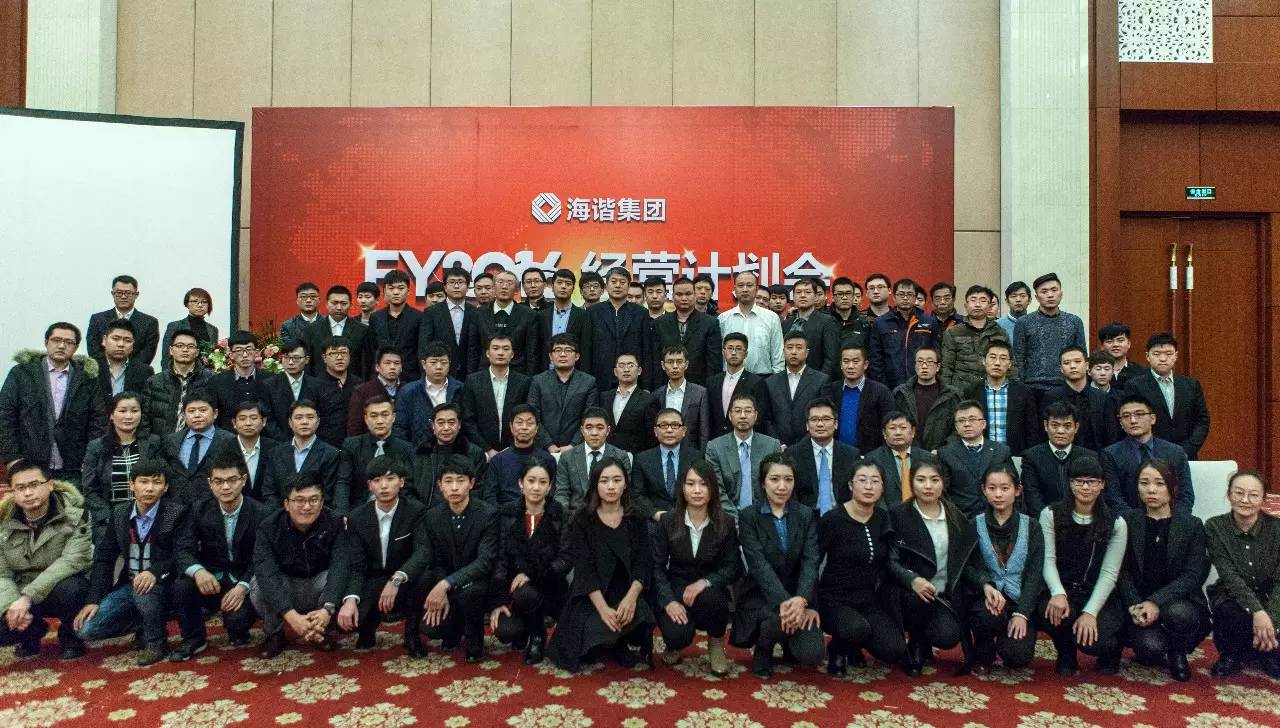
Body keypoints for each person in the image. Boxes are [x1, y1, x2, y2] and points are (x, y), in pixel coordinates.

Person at [74, 459, 192, 666]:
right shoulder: (120, 513)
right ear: (132, 485)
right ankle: (143, 624)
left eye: (156, 482)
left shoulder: (175, 513)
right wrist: (93, 600)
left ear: (165, 487)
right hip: (130, 584)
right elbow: (104, 558)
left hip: (165, 584)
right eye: (143, 482)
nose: (149, 488)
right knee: (87, 630)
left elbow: (182, 553)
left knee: (144, 592)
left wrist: (154, 572)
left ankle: (156, 642)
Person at [549, 456, 656, 671]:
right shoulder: (582, 519)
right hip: (592, 594)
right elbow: (584, 570)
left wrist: (631, 599)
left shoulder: (636, 517)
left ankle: (618, 641)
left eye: (617, 480)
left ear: (625, 484)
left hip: (627, 590)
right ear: (595, 485)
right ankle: (610, 641)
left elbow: (643, 562)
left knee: (640, 616)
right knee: (591, 634)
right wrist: (604, 609)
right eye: (604, 480)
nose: (611, 486)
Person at [1115, 459, 1210, 681]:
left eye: (1159, 483)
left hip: (1178, 601)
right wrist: (1135, 604)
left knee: (1179, 614)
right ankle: (1154, 643)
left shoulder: (1191, 525)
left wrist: (1156, 602)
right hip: (1139, 602)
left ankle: (1178, 652)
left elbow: (1193, 575)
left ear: (1172, 487)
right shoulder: (1128, 521)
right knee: (1150, 648)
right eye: (1144, 483)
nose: (1151, 490)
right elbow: (1121, 570)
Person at [888, 454, 982, 675]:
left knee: (948, 636)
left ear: (943, 483)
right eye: (921, 480)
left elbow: (965, 564)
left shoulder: (956, 517)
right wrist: (912, 580)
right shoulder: (897, 515)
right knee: (915, 601)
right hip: (908, 593)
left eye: (934, 480)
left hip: (942, 595)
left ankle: (927, 638)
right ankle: (916, 641)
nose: (928, 486)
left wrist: (985, 584)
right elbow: (890, 561)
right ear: (911, 483)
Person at [732, 453, 823, 678]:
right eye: (774, 479)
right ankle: (764, 649)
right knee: (773, 621)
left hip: (798, 595)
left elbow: (811, 561)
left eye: (788, 479)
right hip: (761, 596)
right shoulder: (749, 516)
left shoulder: (806, 515)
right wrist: (784, 602)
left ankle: (789, 642)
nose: (782, 486)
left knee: (812, 654)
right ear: (763, 483)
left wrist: (802, 599)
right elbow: (758, 565)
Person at [172, 452, 269, 657]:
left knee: (237, 624)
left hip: (243, 580)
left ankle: (238, 628)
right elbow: (182, 548)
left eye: (232, 480)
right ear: (210, 484)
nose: (225, 487)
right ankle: (194, 639)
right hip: (210, 579)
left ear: (243, 480)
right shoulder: (199, 510)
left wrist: (243, 587)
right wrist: (198, 572)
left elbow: (263, 557)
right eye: (218, 481)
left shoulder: (260, 513)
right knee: (182, 585)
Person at [1038, 455, 1127, 676]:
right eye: (1079, 481)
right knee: (1053, 612)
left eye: (1092, 482)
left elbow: (1109, 573)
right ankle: (1066, 652)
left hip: (1098, 593)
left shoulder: (1116, 522)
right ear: (1070, 483)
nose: (1085, 487)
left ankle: (1111, 651)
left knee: (1097, 641)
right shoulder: (1050, 514)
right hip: (1064, 590)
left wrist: (1090, 612)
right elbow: (1048, 560)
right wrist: (1057, 592)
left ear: (1102, 484)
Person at [817, 460, 907, 674]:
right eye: (862, 480)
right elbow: (813, 561)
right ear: (851, 484)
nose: (868, 486)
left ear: (882, 487)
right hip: (835, 599)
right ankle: (838, 649)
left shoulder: (884, 518)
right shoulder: (833, 519)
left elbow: (892, 561)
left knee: (895, 649)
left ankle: (854, 645)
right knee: (856, 628)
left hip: (868, 600)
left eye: (875, 481)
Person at [335, 456, 431, 656]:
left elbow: (422, 551)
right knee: (348, 623)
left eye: (390, 479)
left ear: (401, 482)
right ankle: (367, 630)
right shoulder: (357, 517)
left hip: (405, 577)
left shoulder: (416, 511)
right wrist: (350, 599)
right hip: (374, 578)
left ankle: (412, 636)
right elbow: (357, 565)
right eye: (377, 480)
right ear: (370, 485)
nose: (384, 486)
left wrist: (397, 579)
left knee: (424, 577)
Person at [654, 460, 742, 673]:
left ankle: (715, 643)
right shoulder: (668, 521)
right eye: (691, 483)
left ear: (713, 489)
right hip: (677, 588)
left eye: (703, 484)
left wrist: (705, 582)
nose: (697, 490)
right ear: (682, 488)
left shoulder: (726, 522)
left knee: (716, 601)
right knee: (676, 635)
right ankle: (674, 644)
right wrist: (669, 602)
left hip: (709, 591)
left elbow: (734, 566)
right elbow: (656, 567)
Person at [0, 460, 93, 660]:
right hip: (20, 592)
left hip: (57, 587)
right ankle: (30, 632)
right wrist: (9, 606)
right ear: (12, 492)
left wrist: (27, 597)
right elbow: (2, 574)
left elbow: (74, 561)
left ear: (50, 485)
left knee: (73, 589)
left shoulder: (76, 516)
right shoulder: (3, 525)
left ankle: (70, 636)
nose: (28, 493)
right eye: (20, 488)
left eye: (34, 485)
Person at [249, 471, 346, 658]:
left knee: (338, 577)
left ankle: (322, 630)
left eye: (313, 500)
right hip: (287, 586)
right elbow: (266, 572)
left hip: (319, 585)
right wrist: (290, 615)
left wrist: (327, 609)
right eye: (299, 500)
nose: (307, 507)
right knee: (259, 584)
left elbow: (340, 566)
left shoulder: (336, 523)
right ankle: (274, 634)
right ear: (286, 504)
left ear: (322, 503)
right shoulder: (268, 527)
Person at [0, 322, 108, 482]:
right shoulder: (22, 373)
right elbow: (5, 416)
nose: (62, 346)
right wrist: (12, 458)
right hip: (29, 463)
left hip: (74, 466)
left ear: (76, 347)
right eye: (56, 340)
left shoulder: (86, 378)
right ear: (46, 343)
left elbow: (97, 421)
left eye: (69, 342)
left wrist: (90, 458)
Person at [489, 460, 570, 665]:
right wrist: (498, 599)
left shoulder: (560, 514)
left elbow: (565, 559)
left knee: (527, 591)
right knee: (506, 632)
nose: (536, 487)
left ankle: (538, 635)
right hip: (516, 590)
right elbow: (500, 558)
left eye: (542, 482)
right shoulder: (507, 513)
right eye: (531, 481)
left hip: (551, 587)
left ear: (550, 486)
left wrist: (531, 574)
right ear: (520, 483)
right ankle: (526, 627)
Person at [966, 464, 1043, 673]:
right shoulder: (974, 524)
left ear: (1018, 490)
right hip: (988, 600)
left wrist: (1022, 613)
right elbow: (968, 567)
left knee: (1017, 656)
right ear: (983, 490)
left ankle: (1009, 639)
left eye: (1005, 488)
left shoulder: (1032, 526)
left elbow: (1035, 575)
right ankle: (984, 646)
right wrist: (985, 585)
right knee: (986, 616)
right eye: (992, 488)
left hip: (1019, 600)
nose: (998, 494)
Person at [421, 456, 498, 663]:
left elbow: (485, 562)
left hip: (478, 583)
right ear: (440, 485)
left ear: (471, 483)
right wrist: (442, 584)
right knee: (430, 629)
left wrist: (447, 583)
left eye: (460, 480)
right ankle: (453, 629)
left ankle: (474, 638)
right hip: (447, 580)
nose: (454, 487)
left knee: (471, 593)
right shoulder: (432, 516)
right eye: (448, 481)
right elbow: (435, 559)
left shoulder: (488, 514)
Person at [1205, 470, 1280, 678]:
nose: (1245, 500)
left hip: (1271, 594)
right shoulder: (1214, 526)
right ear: (1229, 495)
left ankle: (1268, 651)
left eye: (1253, 495)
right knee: (1228, 610)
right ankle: (1231, 654)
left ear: (1263, 499)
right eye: (1238, 493)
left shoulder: (1277, 528)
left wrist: (1271, 621)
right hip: (1234, 593)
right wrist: (1257, 612)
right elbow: (1229, 575)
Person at [80, 391, 164, 540]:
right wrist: (109, 517)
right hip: (108, 520)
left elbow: (160, 481)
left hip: (148, 517)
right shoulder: (96, 447)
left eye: (134, 411)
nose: (129, 416)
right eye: (122, 411)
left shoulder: (154, 443)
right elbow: (90, 489)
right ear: (111, 415)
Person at [1102, 393, 1195, 514]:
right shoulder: (1110, 454)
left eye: (1139, 414)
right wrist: (1136, 521)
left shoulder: (1175, 452)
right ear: (1120, 423)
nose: (1133, 420)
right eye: (1126, 416)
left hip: (1170, 520)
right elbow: (1113, 498)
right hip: (1129, 521)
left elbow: (1185, 496)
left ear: (1153, 418)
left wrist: (1174, 520)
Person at [1124, 333, 1211, 460]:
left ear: (1176, 355)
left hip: (1186, 454)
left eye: (1168, 354)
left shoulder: (1190, 385)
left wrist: (1190, 447)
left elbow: (1202, 420)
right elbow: (1133, 420)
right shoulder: (1135, 385)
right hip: (1150, 455)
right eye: (1157, 354)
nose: (1163, 358)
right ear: (1147, 356)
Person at [261, 400, 351, 512]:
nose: (304, 422)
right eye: (298, 418)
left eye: (310, 417)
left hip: (317, 515)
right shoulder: (276, 453)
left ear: (318, 422)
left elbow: (328, 494)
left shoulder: (332, 454)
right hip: (281, 515)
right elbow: (269, 491)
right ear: (290, 422)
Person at [706, 393, 783, 520]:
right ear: (730, 415)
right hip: (727, 518)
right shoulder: (715, 447)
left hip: (764, 517)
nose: (743, 416)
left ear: (756, 415)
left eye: (748, 411)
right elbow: (717, 490)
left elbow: (775, 486)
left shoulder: (772, 445)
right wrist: (736, 520)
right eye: (737, 411)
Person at [937, 401, 1016, 517]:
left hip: (997, 516)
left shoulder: (1001, 451)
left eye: (972, 419)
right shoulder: (946, 453)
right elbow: (943, 492)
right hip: (961, 518)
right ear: (956, 427)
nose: (967, 424)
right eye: (961, 421)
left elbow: (1014, 487)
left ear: (983, 424)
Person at [1013, 273, 1088, 398]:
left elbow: (1082, 355)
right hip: (1033, 387)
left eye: (1054, 290)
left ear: (1061, 294)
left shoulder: (1074, 322)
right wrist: (1020, 388)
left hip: (1067, 385)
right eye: (1044, 291)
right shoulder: (1024, 322)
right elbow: (1018, 358)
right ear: (1036, 297)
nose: (1050, 295)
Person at [461, 334, 535, 458]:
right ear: (487, 353)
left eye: (506, 349)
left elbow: (527, 417)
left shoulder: (524, 382)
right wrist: (487, 449)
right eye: (495, 348)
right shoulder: (473, 381)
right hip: (481, 452)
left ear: (512, 354)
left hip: (516, 450)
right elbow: (468, 419)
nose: (500, 353)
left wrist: (512, 448)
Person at [582, 267, 656, 390]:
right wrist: (586, 384)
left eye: (622, 282)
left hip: (633, 379)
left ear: (628, 286)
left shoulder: (641, 313)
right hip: (600, 379)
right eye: (613, 281)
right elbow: (586, 350)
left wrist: (646, 386)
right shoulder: (592, 312)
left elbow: (646, 351)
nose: (618, 285)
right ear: (606, 286)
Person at [1020, 401, 1097, 517]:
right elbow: (1032, 498)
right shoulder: (1031, 457)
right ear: (1046, 426)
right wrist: (1049, 520)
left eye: (1067, 426)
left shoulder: (1090, 457)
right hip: (1044, 520)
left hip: (1081, 520)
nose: (1060, 431)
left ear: (1076, 427)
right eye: (1055, 425)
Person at [160, 390, 237, 503]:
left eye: (203, 410)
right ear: (184, 416)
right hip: (175, 505)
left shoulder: (230, 440)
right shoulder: (171, 440)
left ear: (215, 413)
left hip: (213, 505)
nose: (197, 415)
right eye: (191, 411)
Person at [964, 340, 1040, 456]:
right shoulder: (971, 391)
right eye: (992, 357)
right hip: (980, 456)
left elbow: (1032, 431)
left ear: (1010, 364)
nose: (997, 363)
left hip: (1014, 456)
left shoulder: (1023, 393)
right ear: (984, 361)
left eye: (1003, 358)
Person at [264, 339, 345, 447]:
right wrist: (288, 444)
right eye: (286, 357)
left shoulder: (321, 386)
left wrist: (311, 444)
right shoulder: (268, 386)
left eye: (296, 358)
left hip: (316, 446)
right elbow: (267, 421)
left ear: (306, 360)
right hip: (279, 446)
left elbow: (330, 420)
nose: (291, 362)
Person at [341, 395, 415, 509]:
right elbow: (343, 482)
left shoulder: (407, 449)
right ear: (366, 419)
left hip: (396, 509)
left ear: (393, 417)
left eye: (385, 415)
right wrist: (342, 513)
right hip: (359, 509)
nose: (379, 421)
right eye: (374, 416)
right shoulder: (352, 446)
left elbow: (409, 487)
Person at [1040, 345, 1119, 452]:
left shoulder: (1102, 398)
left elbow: (1111, 435)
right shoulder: (1051, 397)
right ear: (1061, 369)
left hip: (1097, 457)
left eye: (1077, 361)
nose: (1073, 366)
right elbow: (1044, 434)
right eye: (1067, 363)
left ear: (1087, 366)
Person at [409, 402, 489, 507]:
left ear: (459, 424)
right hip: (423, 513)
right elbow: (409, 490)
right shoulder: (420, 453)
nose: (446, 428)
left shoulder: (474, 453)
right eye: (441, 423)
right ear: (433, 425)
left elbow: (478, 491)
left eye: (451, 423)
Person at [528, 334, 599, 452]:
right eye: (557, 350)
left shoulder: (588, 382)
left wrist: (573, 445)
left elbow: (590, 418)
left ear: (577, 356)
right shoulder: (538, 381)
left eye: (568, 350)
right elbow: (532, 416)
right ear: (550, 356)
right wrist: (548, 445)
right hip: (542, 449)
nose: (562, 354)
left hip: (577, 449)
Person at [552, 407, 631, 511]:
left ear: (608, 430)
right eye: (589, 427)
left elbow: (625, 493)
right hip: (575, 515)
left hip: (609, 513)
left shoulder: (620, 456)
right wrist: (564, 516)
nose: (594, 433)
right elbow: (562, 493)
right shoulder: (567, 457)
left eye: (600, 428)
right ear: (582, 431)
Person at [789, 398, 860, 514]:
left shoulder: (851, 455)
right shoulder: (793, 454)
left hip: (842, 516)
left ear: (836, 424)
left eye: (826, 419)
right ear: (807, 425)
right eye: (814, 419)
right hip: (806, 517)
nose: (820, 424)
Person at [868, 278, 941, 390]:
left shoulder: (929, 321)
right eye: (901, 294)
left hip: (922, 384)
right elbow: (876, 359)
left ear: (915, 297)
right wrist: (883, 387)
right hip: (889, 386)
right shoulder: (881, 323)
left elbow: (937, 354)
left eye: (909, 294)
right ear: (894, 297)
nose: (905, 298)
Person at [632, 408, 703, 522]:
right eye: (663, 425)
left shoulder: (697, 457)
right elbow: (637, 495)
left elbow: (701, 489)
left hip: (689, 519)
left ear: (684, 431)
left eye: (675, 425)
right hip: (655, 521)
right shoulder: (642, 459)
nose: (669, 430)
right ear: (655, 431)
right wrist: (655, 513)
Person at [940, 285, 1013, 392]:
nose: (977, 304)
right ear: (966, 305)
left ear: (990, 306)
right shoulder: (953, 333)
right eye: (973, 300)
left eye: (983, 300)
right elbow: (946, 368)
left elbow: (1010, 364)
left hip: (992, 388)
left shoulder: (1000, 333)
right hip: (960, 391)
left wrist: (1012, 390)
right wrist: (947, 393)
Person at [822, 344, 894, 452]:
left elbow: (889, 427)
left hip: (870, 456)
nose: (850, 366)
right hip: (836, 455)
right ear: (841, 365)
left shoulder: (881, 392)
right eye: (846, 361)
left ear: (865, 365)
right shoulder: (830, 391)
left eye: (856, 362)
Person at [762, 332, 830, 446]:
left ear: (807, 353)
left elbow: (823, 416)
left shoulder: (821, 380)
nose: (794, 352)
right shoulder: (771, 382)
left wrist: (803, 445)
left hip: (810, 445)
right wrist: (777, 443)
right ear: (783, 351)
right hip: (778, 446)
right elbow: (767, 419)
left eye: (799, 348)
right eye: (789, 347)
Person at [143, 328, 212, 436]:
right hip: (161, 443)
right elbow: (144, 418)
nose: (185, 350)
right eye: (180, 346)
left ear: (197, 352)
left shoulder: (211, 380)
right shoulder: (154, 381)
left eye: (190, 346)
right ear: (171, 350)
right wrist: (151, 443)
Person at [469, 269, 539, 375]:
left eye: (509, 283)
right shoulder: (478, 314)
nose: (504, 286)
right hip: (484, 374)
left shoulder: (529, 315)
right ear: (493, 287)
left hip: (518, 374)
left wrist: (530, 379)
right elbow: (473, 350)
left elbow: (532, 353)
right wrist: (472, 378)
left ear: (517, 290)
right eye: (500, 282)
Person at [655, 276, 722, 387]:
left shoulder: (710, 323)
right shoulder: (660, 323)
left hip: (699, 387)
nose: (684, 298)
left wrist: (711, 389)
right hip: (666, 386)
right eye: (679, 294)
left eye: (688, 294)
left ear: (695, 295)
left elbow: (714, 363)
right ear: (672, 296)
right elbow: (655, 360)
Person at [393, 342, 463, 448]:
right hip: (418, 451)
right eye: (433, 362)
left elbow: (468, 424)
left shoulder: (461, 389)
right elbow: (399, 428)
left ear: (450, 363)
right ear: (424, 364)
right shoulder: (408, 392)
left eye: (444, 362)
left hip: (455, 450)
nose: (439, 367)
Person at [893, 347, 963, 451]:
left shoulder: (952, 395)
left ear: (938, 367)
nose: (924, 366)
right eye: (920, 361)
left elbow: (958, 428)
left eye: (930, 362)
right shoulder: (901, 394)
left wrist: (943, 450)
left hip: (941, 455)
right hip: (907, 453)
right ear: (915, 365)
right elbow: (893, 425)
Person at [487, 404, 557, 506]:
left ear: (537, 428)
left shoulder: (548, 459)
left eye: (530, 423)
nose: (524, 427)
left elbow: (551, 494)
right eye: (519, 422)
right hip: (505, 512)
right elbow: (490, 496)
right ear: (511, 427)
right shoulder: (498, 460)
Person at [208, 330, 277, 433]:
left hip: (266, 439)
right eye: (239, 350)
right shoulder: (217, 382)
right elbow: (213, 417)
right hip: (228, 439)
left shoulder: (272, 380)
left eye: (249, 349)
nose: (245, 355)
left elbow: (278, 416)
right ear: (231, 354)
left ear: (256, 353)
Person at [718, 270, 784, 376]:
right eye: (740, 285)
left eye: (749, 285)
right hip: (731, 377)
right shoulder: (723, 319)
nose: (745, 289)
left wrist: (775, 380)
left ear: (756, 289)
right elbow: (719, 353)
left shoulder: (771, 318)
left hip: (763, 378)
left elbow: (778, 354)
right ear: (735, 289)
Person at [419, 265, 479, 380]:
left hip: (469, 375)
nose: (456, 286)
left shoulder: (475, 312)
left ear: (467, 287)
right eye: (452, 282)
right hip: (439, 373)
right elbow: (424, 345)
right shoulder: (431, 312)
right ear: (445, 287)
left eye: (460, 282)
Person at [86, 275, 160, 366]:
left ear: (136, 295)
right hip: (103, 371)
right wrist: (110, 368)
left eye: (128, 293)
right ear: (112, 293)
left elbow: (148, 352)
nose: (123, 296)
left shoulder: (150, 322)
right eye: (119, 292)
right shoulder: (97, 319)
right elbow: (93, 349)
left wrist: (127, 369)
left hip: (137, 371)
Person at [304, 285, 374, 379]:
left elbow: (366, 364)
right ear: (327, 304)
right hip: (319, 383)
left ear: (350, 305)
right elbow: (307, 363)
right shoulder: (312, 329)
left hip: (353, 384)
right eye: (335, 303)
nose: (339, 307)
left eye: (343, 303)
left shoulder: (362, 330)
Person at [862, 412, 932, 505]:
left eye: (903, 428)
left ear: (913, 432)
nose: (898, 433)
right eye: (892, 428)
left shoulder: (927, 458)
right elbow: (873, 493)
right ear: (884, 433)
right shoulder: (874, 458)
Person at [707, 333, 768, 439]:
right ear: (723, 352)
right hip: (716, 440)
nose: (734, 353)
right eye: (730, 348)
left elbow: (760, 417)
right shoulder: (712, 382)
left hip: (745, 438)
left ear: (746, 353)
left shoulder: (756, 382)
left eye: (739, 349)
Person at [367, 269, 424, 381]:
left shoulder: (419, 317)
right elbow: (371, 350)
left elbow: (420, 351)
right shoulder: (376, 317)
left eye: (401, 288)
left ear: (408, 291)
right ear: (384, 291)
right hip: (380, 378)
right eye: (391, 288)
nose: (396, 292)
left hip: (410, 378)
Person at [653, 345, 711, 451]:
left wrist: (702, 456)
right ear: (663, 365)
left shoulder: (700, 393)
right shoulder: (656, 395)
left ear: (686, 364)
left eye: (679, 362)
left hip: (691, 451)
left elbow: (704, 430)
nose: (675, 366)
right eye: (670, 362)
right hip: (662, 450)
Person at [782, 278, 841, 378]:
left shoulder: (827, 321)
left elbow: (831, 359)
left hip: (817, 379)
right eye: (798, 292)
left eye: (808, 292)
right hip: (789, 379)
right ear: (793, 298)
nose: (803, 295)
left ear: (815, 297)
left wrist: (820, 381)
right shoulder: (786, 324)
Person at [535, 269, 591, 370]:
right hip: (545, 373)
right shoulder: (541, 316)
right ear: (552, 287)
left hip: (574, 373)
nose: (563, 286)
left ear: (573, 289)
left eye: (568, 284)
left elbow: (586, 349)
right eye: (559, 282)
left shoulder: (583, 315)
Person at [601, 353, 657, 454]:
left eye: (631, 365)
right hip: (607, 456)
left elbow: (652, 436)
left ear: (639, 371)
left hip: (636, 456)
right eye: (621, 365)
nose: (626, 369)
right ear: (615, 371)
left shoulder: (648, 399)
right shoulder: (604, 397)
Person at [92, 319, 154, 410]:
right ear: (104, 340)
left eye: (127, 340)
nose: (121, 344)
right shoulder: (90, 368)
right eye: (115, 339)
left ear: (133, 345)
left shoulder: (144, 372)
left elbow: (146, 406)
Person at [317, 337, 365, 441]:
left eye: (344, 353)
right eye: (333, 353)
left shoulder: (361, 385)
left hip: (356, 443)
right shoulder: (314, 386)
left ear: (350, 356)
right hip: (325, 444)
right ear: (324, 358)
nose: (339, 357)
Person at [159, 288, 219, 371]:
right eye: (195, 301)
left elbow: (214, 358)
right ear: (187, 304)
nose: (200, 305)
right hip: (180, 373)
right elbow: (166, 357)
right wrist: (167, 376)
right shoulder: (175, 326)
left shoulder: (213, 330)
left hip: (206, 375)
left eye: (204, 302)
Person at [346, 347, 402, 436]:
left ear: (401, 367)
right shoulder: (362, 392)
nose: (392, 367)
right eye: (387, 363)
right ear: (377, 367)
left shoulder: (408, 389)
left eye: (397, 363)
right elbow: (354, 427)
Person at [231, 401, 279, 500]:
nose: (248, 423)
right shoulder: (224, 448)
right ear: (234, 423)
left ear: (264, 421)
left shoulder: (276, 449)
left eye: (253, 418)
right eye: (242, 419)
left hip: (269, 506)